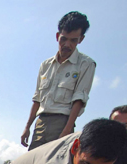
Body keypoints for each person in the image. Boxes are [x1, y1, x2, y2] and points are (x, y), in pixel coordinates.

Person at [20, 11, 96, 151]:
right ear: (57, 36)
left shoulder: (86, 64)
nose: (67, 44)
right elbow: (37, 99)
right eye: (64, 39)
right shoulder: (46, 65)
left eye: (73, 40)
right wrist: (27, 127)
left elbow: (79, 99)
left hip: (62, 123)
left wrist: (66, 131)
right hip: (40, 123)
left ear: (81, 39)